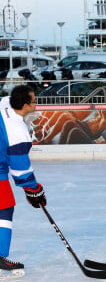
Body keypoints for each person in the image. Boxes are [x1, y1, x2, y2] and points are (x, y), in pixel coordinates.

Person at [0, 85, 47, 277]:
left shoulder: (3, 101)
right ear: (26, 105)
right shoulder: (18, 132)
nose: (36, 104)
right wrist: (35, 191)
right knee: (5, 208)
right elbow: (20, 170)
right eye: (34, 101)